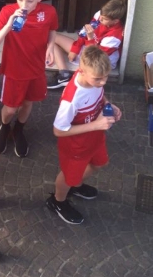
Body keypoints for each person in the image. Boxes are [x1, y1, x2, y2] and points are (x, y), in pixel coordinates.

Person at [0, 0, 58, 158]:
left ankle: (18, 129)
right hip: (14, 72)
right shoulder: (7, 12)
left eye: (30, 1)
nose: (24, 6)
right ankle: (4, 127)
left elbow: (52, 29)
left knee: (27, 104)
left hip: (36, 70)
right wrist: (8, 26)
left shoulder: (49, 12)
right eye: (20, 0)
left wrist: (50, 47)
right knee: (10, 108)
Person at [47, 45, 121, 225]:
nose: (103, 82)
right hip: (76, 146)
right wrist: (96, 125)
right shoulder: (72, 99)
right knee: (68, 176)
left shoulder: (93, 79)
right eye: (98, 79)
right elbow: (58, 130)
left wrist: (108, 104)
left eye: (106, 77)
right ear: (81, 71)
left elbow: (99, 94)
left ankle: (75, 186)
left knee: (98, 164)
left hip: (94, 138)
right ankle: (57, 201)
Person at [48, 0, 126, 89]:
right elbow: (85, 31)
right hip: (91, 48)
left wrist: (90, 38)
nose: (100, 19)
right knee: (50, 38)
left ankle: (64, 75)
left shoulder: (114, 36)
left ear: (116, 21)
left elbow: (95, 57)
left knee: (52, 40)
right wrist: (75, 49)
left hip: (100, 61)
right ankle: (64, 75)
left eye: (104, 19)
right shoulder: (101, 14)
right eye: (101, 15)